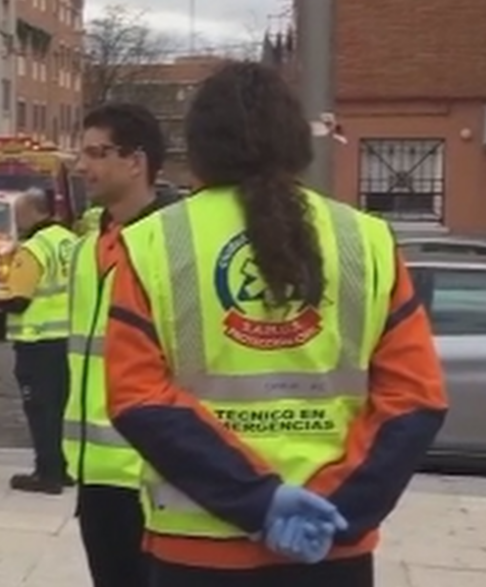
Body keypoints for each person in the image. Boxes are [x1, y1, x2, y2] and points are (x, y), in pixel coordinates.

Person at [104, 61, 447, 586]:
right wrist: (339, 509)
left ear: (198, 148)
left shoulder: (154, 243)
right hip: (329, 546)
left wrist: (260, 501)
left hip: (200, 547)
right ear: (295, 142)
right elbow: (416, 399)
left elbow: (137, 398)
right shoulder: (365, 240)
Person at [65, 102, 171, 586]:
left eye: (97, 153)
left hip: (152, 476)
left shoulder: (172, 246)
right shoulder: (87, 250)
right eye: (82, 153)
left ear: (136, 161)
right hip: (95, 472)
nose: (81, 165)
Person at [0, 188, 78, 494]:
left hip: (37, 340)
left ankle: (46, 474)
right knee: (62, 407)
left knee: (40, 409)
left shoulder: (33, 249)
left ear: (33, 211)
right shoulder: (71, 241)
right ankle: (63, 468)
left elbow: (18, 300)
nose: (17, 219)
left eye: (19, 212)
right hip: (68, 339)